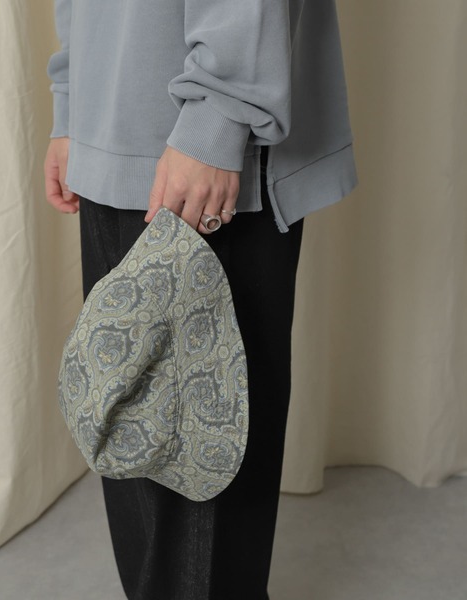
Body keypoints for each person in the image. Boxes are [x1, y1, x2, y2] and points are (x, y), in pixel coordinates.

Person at [44, 1, 358, 598]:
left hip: (196, 146)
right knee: (138, 462)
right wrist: (72, 100)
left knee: (202, 486)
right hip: (111, 121)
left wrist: (218, 114)